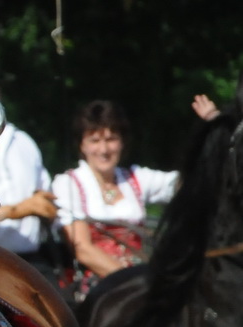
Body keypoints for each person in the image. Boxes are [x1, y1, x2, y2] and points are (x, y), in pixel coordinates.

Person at [50, 98, 215, 298]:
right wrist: (135, 282)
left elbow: (189, 182)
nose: (103, 150)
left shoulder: (134, 178)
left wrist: (212, 132)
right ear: (82, 145)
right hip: (94, 287)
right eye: (94, 140)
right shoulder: (69, 183)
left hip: (140, 281)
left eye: (111, 139)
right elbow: (83, 249)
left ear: (122, 142)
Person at [0, 62, 61, 275]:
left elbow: (45, 197)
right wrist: (15, 211)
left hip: (31, 261)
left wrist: (50, 209)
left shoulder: (23, 142)